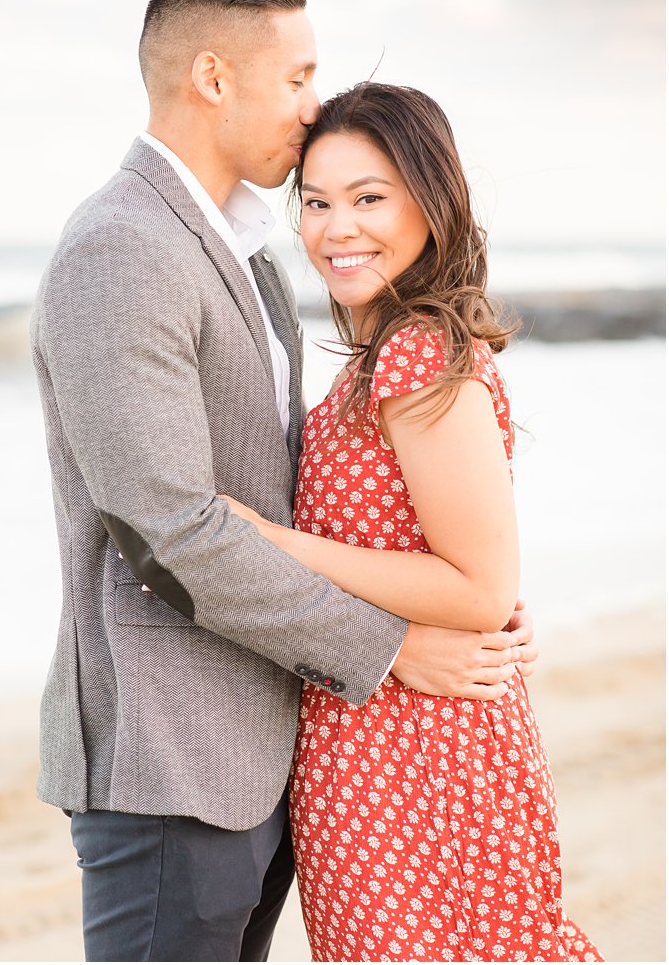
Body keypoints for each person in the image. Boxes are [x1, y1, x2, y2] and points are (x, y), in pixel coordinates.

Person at [29, 0, 537, 961]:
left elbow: (287, 501)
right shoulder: (120, 248)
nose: (310, 107)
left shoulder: (246, 250)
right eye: (298, 76)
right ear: (213, 78)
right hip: (169, 761)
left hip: (265, 751)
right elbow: (167, 530)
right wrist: (387, 645)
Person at [220, 82, 598, 961]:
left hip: (420, 753)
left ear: (430, 201)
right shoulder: (386, 351)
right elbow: (458, 561)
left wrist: (267, 539)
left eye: (368, 198)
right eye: (315, 202)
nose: (335, 228)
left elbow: (477, 587)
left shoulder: (419, 350)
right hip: (375, 741)